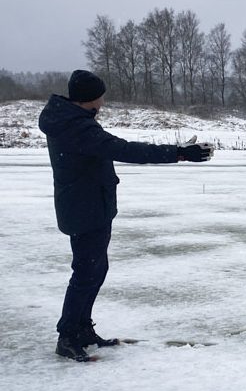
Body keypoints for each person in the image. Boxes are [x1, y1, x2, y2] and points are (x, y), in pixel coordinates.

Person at [38, 70, 213, 362]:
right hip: (85, 209)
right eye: (100, 96)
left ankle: (81, 328)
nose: (103, 102)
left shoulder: (70, 121)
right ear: (90, 99)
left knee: (94, 270)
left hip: (88, 205)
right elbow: (125, 149)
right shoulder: (78, 128)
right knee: (86, 273)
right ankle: (68, 335)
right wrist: (179, 153)